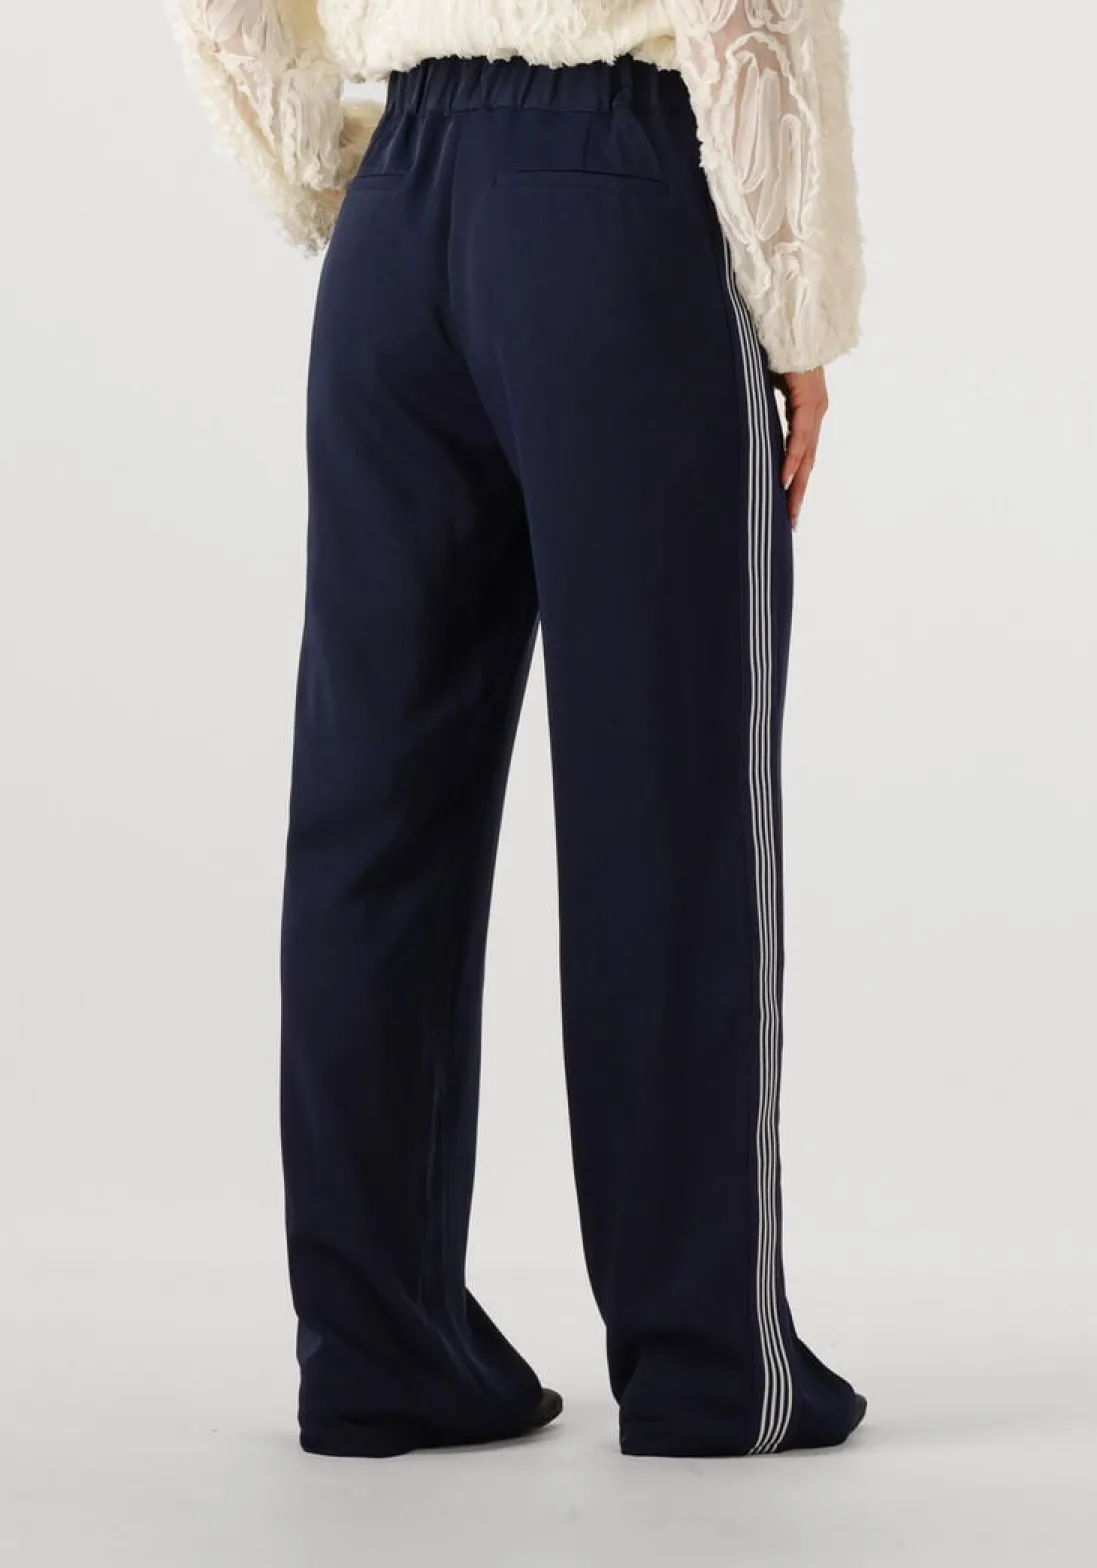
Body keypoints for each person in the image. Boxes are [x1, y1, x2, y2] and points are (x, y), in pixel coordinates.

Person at [169, 0, 867, 1459]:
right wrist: (799, 301)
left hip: (395, 230)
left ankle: (376, 1349)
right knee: (666, 801)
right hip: (618, 195)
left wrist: (329, 167)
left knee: (374, 809)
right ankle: (707, 1362)